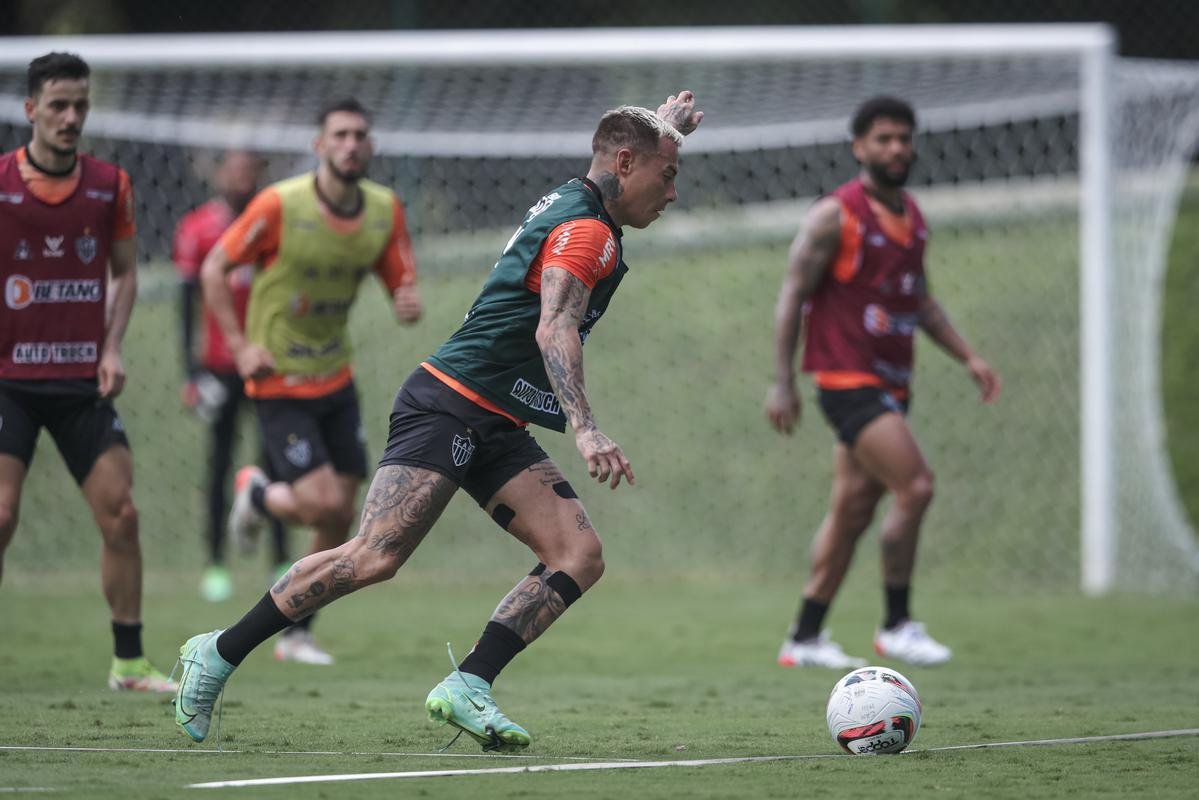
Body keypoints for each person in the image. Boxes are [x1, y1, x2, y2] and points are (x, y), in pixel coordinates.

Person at [172, 91, 704, 750]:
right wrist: (587, 427)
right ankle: (217, 652)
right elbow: (555, 325)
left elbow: (619, 149)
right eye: (668, 174)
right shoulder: (587, 229)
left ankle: (469, 685)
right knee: (374, 557)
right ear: (626, 163)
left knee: (577, 554)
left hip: (495, 416)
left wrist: (661, 127)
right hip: (448, 402)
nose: (673, 191)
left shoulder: (582, 198)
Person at [765, 96, 1001, 669]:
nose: (896, 148)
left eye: (903, 138)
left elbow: (918, 300)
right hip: (847, 381)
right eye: (883, 138)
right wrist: (783, 383)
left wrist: (967, 355)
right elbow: (793, 293)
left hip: (892, 383)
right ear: (859, 147)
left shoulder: (912, 216)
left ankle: (805, 636)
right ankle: (896, 624)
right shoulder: (835, 215)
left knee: (852, 509)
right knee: (916, 487)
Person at [197, 97, 423, 665]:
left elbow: (398, 280)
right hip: (279, 380)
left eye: (360, 136)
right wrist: (241, 345)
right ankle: (255, 492)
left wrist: (405, 298)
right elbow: (214, 268)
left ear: (370, 147)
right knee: (321, 503)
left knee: (341, 517)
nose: (351, 145)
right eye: (340, 135)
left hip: (335, 377)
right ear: (319, 145)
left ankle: (297, 631)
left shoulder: (382, 210)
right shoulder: (279, 204)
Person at [0, 52, 175, 692]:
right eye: (58, 106)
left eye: (80, 105)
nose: (71, 117)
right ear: (30, 111)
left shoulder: (110, 184)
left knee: (121, 515)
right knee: (1, 517)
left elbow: (125, 272)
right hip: (8, 381)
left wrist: (112, 346)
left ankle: (128, 662)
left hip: (81, 381)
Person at [174, 149, 291, 603]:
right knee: (219, 463)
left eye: (249, 170)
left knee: (277, 463)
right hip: (220, 368)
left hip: (267, 363)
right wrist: (190, 371)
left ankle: (282, 560)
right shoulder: (198, 227)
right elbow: (186, 305)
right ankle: (216, 563)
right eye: (233, 169)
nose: (241, 178)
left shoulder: (273, 224)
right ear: (219, 173)